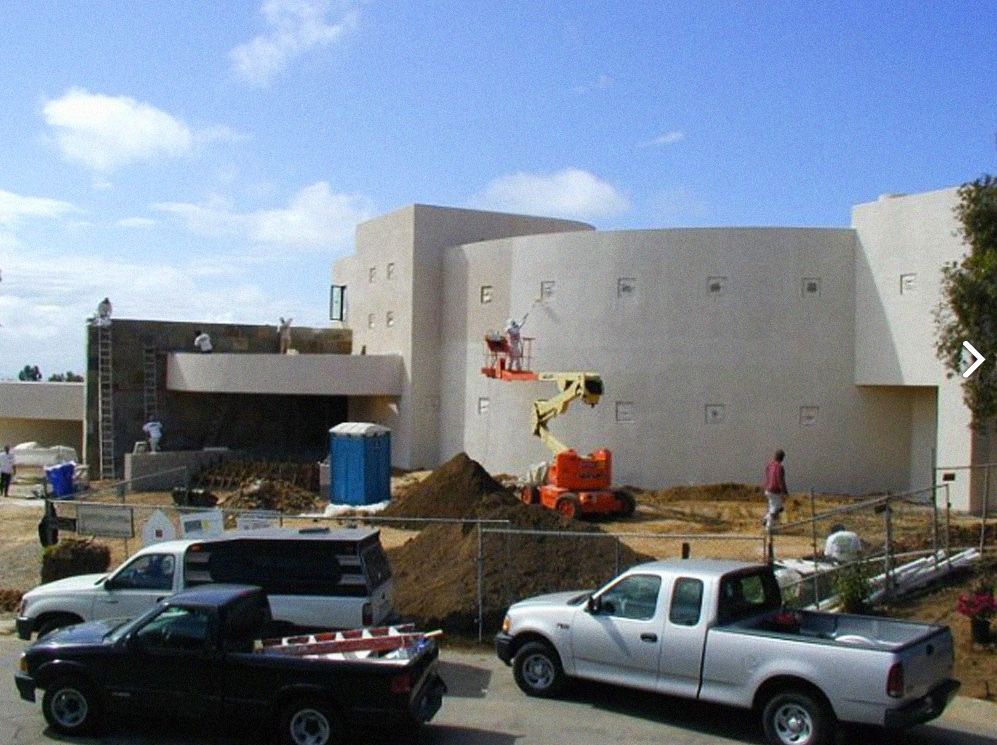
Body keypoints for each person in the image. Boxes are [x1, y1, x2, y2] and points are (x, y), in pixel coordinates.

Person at [762, 449, 788, 528]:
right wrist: (784, 492)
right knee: (775, 509)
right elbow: (780, 480)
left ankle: (766, 520)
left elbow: (767, 476)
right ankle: (768, 526)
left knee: (776, 506)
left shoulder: (769, 465)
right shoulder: (780, 467)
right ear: (782, 458)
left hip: (768, 489)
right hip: (775, 491)